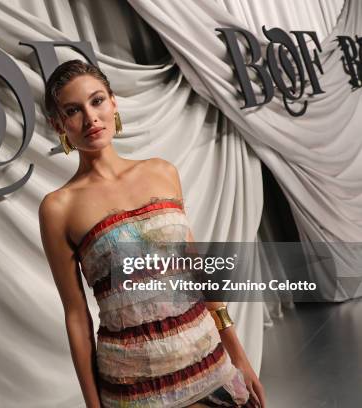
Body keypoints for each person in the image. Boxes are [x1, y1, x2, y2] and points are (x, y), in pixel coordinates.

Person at [38, 60, 265, 408]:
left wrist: (239, 354)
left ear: (113, 102)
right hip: (135, 389)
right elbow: (76, 315)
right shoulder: (58, 208)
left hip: (210, 364)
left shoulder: (162, 172)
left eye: (97, 101)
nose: (90, 118)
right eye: (73, 110)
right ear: (59, 125)